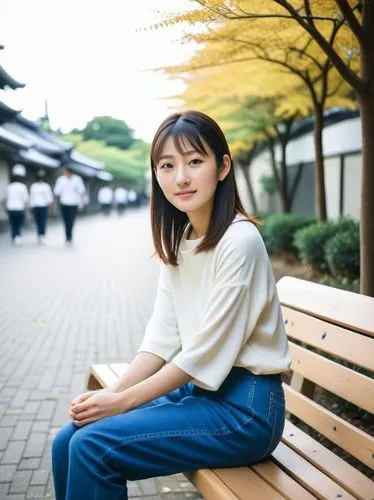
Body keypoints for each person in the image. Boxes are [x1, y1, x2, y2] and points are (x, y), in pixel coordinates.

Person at [52, 110, 291, 499]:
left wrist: (124, 401)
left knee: (94, 448)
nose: (181, 177)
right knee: (69, 439)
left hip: (247, 411)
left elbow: (201, 355)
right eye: (167, 165)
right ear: (156, 173)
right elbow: (161, 337)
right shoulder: (182, 240)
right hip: (202, 393)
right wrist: (114, 395)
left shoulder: (240, 241)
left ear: (223, 167)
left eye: (195, 161)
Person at [53, 167, 86, 245]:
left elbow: (81, 191)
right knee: (65, 220)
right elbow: (57, 192)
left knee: (71, 220)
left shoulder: (77, 179)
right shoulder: (61, 180)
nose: (66, 174)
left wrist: (81, 203)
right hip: (64, 203)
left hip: (73, 203)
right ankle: (67, 236)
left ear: (71, 173)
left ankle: (70, 236)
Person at [4, 164, 29, 245]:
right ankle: (17, 236)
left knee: (13, 223)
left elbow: (6, 198)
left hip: (11, 208)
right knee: (18, 223)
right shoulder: (23, 187)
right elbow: (25, 199)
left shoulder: (9, 186)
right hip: (19, 208)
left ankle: (14, 236)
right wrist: (26, 209)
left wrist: (5, 207)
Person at [29, 169, 54, 244]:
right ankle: (39, 234)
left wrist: (50, 206)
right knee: (38, 221)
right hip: (36, 205)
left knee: (42, 221)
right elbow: (31, 197)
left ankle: (41, 234)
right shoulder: (34, 186)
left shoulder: (46, 186)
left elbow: (49, 197)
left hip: (43, 206)